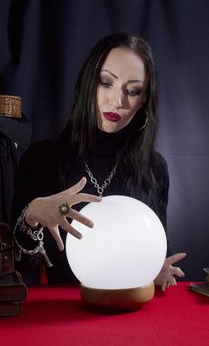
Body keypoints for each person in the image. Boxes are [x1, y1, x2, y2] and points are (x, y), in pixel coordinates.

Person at [12, 33, 186, 288]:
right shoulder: (42, 159)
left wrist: (157, 271)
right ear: (88, 84)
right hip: (65, 315)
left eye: (133, 90)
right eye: (106, 82)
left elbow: (156, 250)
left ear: (144, 101)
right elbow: (20, 266)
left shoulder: (153, 168)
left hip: (129, 309)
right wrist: (31, 216)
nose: (117, 101)